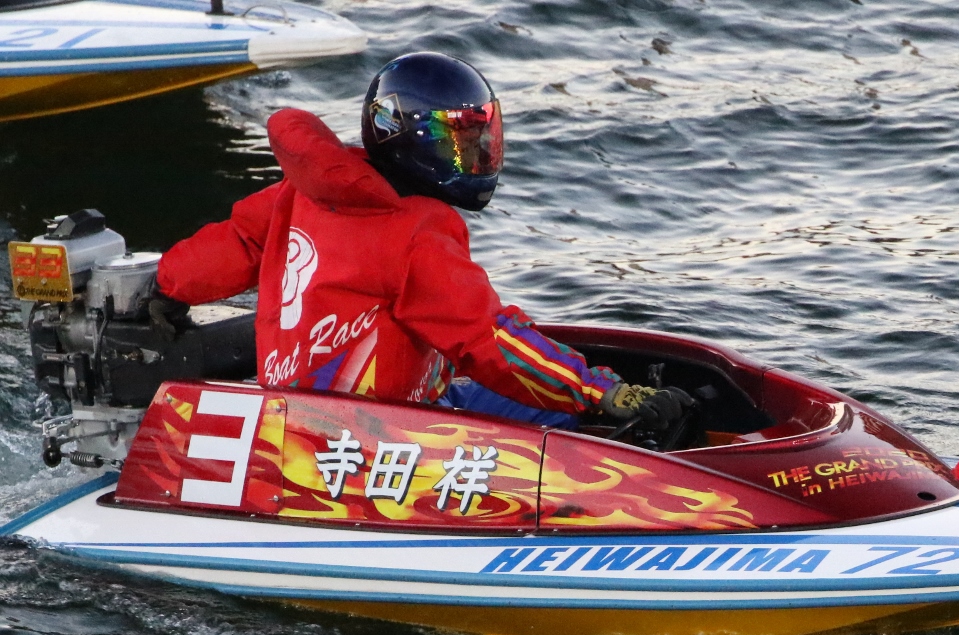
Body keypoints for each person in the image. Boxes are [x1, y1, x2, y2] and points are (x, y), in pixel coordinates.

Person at [155, 52, 691, 431]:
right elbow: (487, 342)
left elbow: (236, 242)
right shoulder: (414, 232)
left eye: (478, 139)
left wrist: (166, 286)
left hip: (295, 418)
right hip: (378, 433)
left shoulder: (307, 190)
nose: (474, 157)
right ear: (401, 136)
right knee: (570, 414)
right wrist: (602, 392)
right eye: (454, 141)